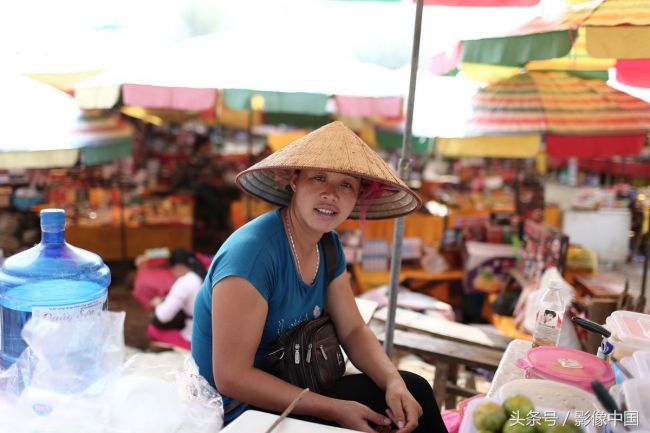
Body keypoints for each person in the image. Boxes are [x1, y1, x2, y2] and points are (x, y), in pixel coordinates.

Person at [192, 121, 448, 433]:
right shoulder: (253, 255)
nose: (330, 194)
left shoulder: (327, 245)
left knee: (413, 389)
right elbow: (232, 377)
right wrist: (334, 410)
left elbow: (353, 329)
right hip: (242, 411)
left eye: (346, 185)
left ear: (357, 197)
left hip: (300, 383)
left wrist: (393, 380)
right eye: (319, 178)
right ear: (295, 181)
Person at [147, 248, 206, 350]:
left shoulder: (185, 281)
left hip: (193, 340)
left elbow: (163, 316)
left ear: (178, 267)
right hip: (211, 334)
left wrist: (157, 304)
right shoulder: (203, 274)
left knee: (152, 330)